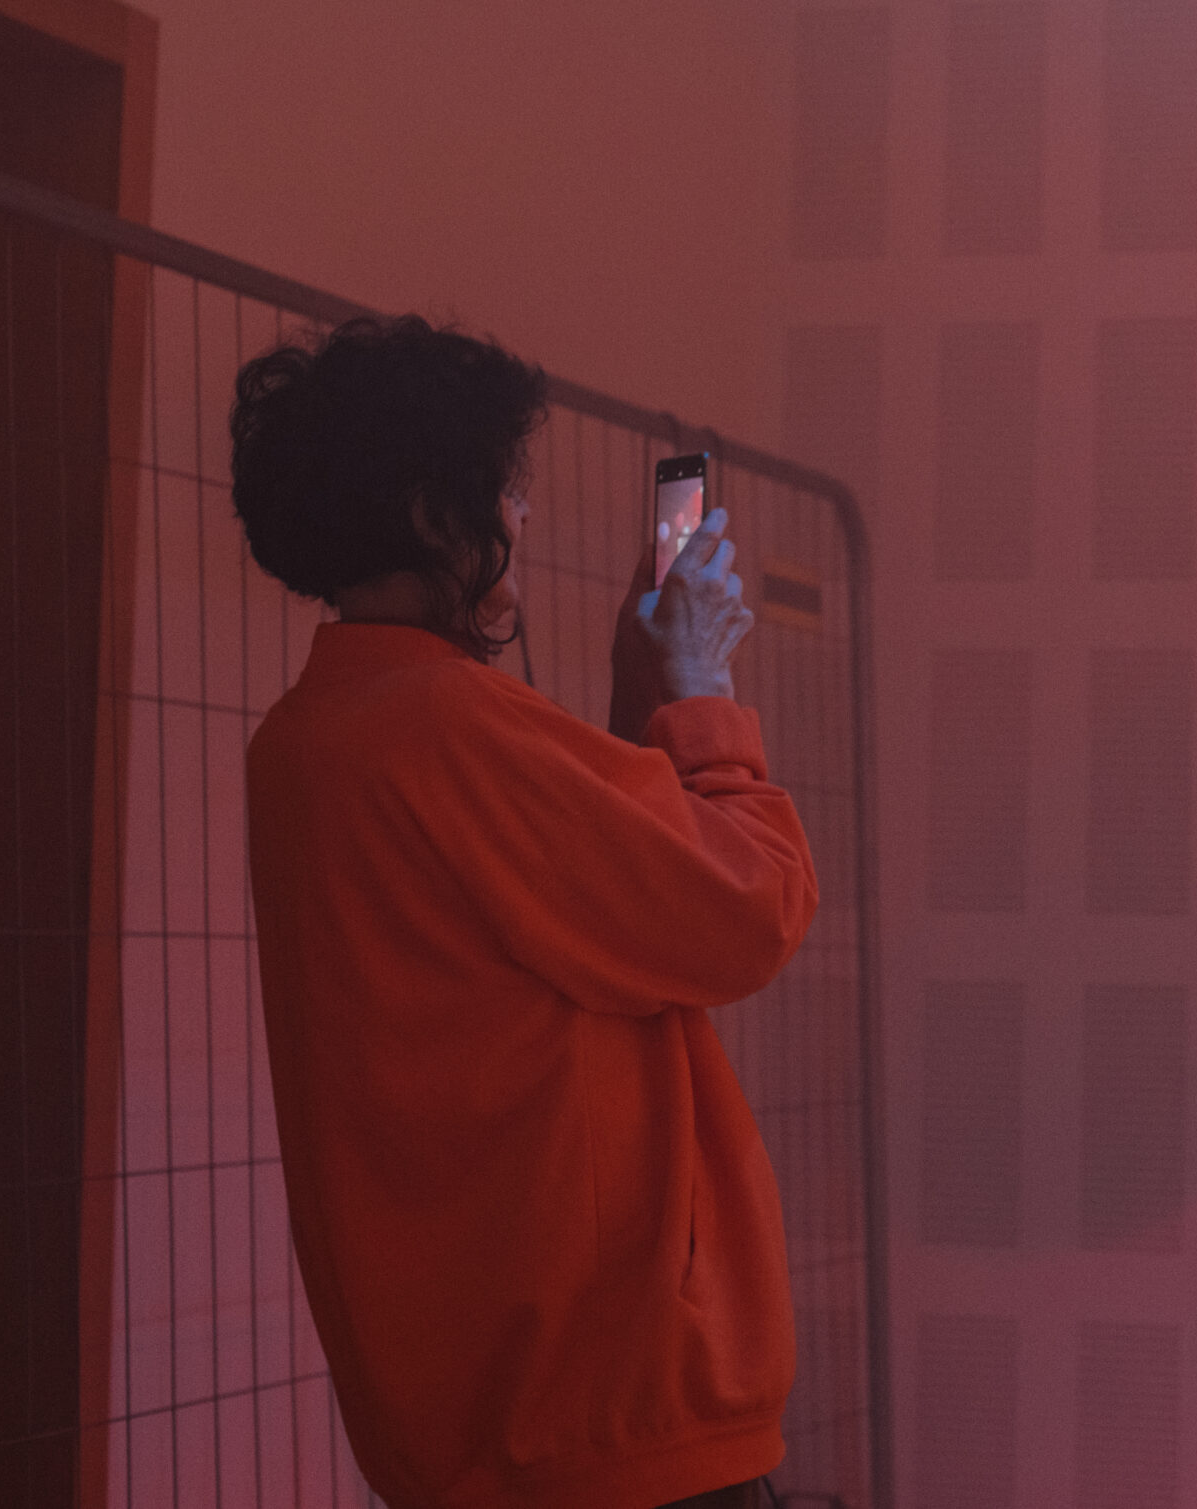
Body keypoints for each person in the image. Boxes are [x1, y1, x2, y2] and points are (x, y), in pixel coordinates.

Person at [228, 315, 820, 1509]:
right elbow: (745, 905)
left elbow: (567, 925)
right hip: (612, 1408)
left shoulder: (303, 740)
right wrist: (701, 690)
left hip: (466, 1414)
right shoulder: (449, 722)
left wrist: (636, 706)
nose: (523, 516)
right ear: (435, 515)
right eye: (505, 489)